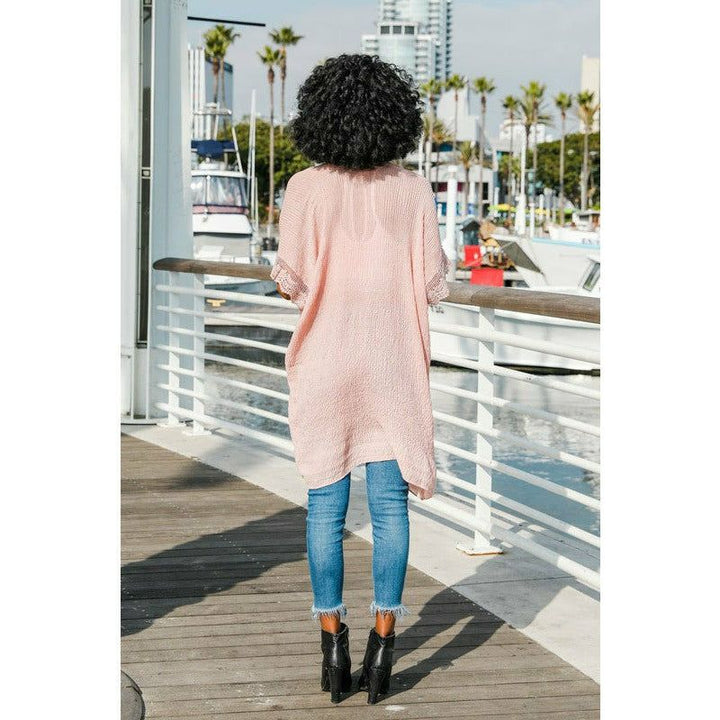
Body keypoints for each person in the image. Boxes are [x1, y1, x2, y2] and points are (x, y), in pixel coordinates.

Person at [270, 53, 451, 705]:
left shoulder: (304, 188)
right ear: (393, 116)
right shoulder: (413, 191)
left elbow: (291, 281)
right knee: (390, 507)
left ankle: (331, 645)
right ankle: (383, 645)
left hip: (327, 362)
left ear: (319, 114)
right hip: (392, 366)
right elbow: (433, 284)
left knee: (325, 506)